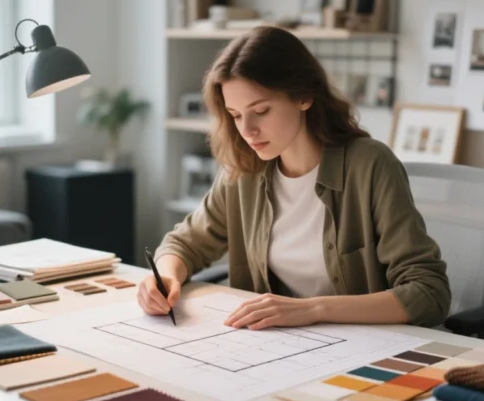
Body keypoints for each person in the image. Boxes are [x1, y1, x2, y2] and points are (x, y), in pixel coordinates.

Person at [137, 26, 451, 331]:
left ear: (304, 96)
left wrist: (313, 310)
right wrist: (165, 277)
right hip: (278, 344)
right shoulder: (244, 171)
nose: (247, 130)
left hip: (363, 345)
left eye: (261, 110)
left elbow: (428, 292)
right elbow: (184, 243)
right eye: (235, 115)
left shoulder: (370, 166)